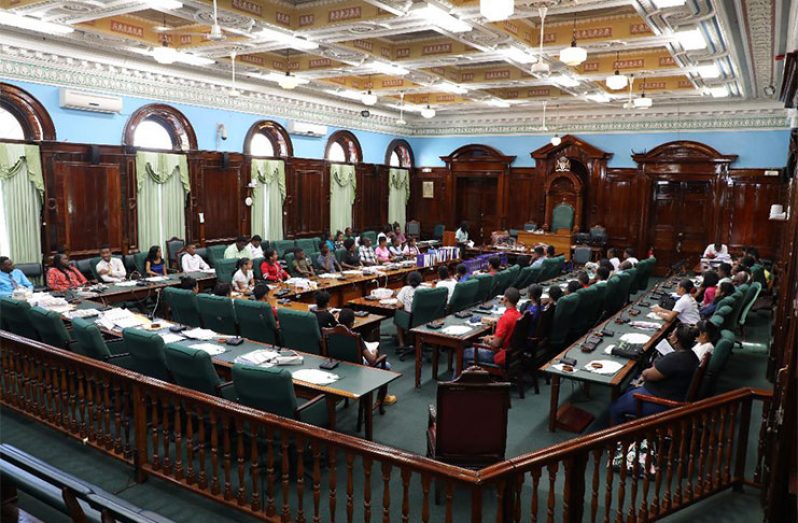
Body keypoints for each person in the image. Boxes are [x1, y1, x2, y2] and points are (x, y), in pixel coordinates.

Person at [610, 324, 699, 424]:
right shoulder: (692, 355)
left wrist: (645, 372)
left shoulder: (675, 359)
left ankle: (618, 436)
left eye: (672, 335)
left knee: (615, 407)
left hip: (662, 402)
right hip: (671, 393)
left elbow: (647, 375)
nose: (670, 336)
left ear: (676, 340)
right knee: (628, 389)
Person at [336, 308, 397, 405]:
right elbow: (372, 360)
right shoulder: (355, 337)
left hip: (340, 367)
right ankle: (383, 398)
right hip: (356, 370)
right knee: (386, 365)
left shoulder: (330, 334)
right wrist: (375, 352)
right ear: (352, 323)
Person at [463, 287, 522, 367]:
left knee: (464, 352)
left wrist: (488, 341)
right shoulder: (519, 315)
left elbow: (496, 345)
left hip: (501, 356)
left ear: (505, 300)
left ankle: (461, 379)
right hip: (514, 355)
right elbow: (509, 334)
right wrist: (493, 336)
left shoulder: (505, 319)